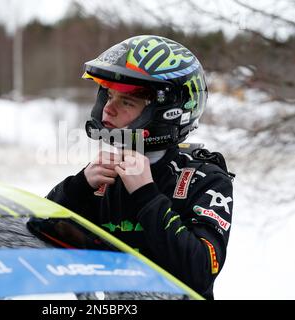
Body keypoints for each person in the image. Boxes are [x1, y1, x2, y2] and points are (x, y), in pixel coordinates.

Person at [45, 35, 234, 299]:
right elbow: (37, 237)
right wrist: (77, 187)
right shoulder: (102, 175)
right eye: (109, 96)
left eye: (126, 102)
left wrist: (146, 194)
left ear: (168, 112)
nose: (108, 110)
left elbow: (200, 272)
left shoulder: (204, 179)